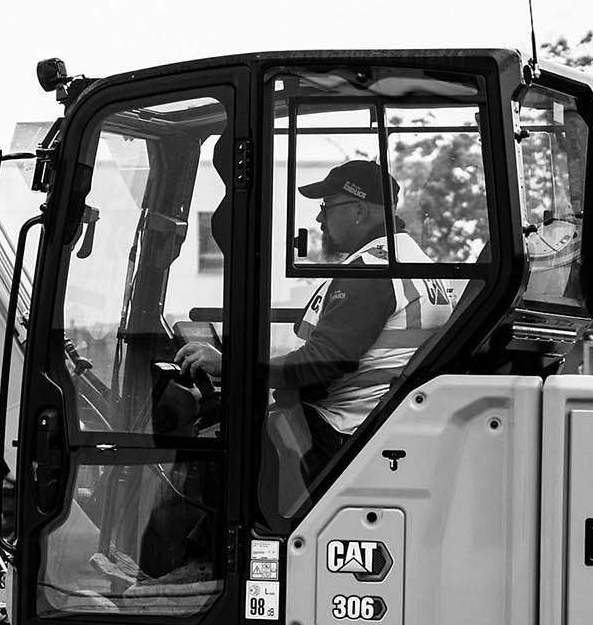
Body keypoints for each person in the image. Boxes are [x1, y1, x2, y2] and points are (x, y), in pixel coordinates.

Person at [174, 159, 452, 500]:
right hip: (384, 421)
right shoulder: (416, 262)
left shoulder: (369, 273)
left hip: (345, 430)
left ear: (360, 211)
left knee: (220, 449)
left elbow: (323, 364)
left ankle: (206, 548)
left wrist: (233, 367)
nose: (320, 219)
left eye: (326, 207)